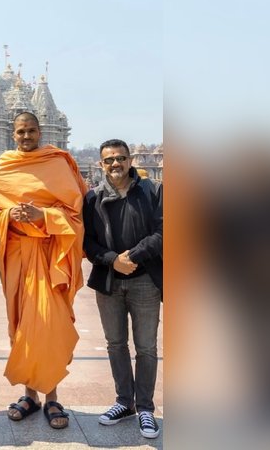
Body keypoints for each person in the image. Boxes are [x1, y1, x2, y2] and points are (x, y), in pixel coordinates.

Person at [0, 112, 87, 430]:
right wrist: (10, 216)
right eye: (20, 132)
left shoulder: (57, 163)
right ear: (13, 135)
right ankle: (30, 395)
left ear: (40, 131)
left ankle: (52, 396)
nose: (26, 136)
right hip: (18, 257)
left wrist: (42, 215)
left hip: (50, 257)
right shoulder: (4, 164)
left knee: (49, 325)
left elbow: (75, 213)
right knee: (22, 327)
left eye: (31, 130)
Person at [83, 139, 163, 439]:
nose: (115, 164)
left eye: (120, 158)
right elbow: (87, 241)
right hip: (109, 279)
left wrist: (133, 256)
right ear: (101, 164)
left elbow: (164, 230)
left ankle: (144, 407)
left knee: (146, 347)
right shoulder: (93, 198)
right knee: (115, 344)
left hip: (145, 280)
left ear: (130, 161)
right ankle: (123, 401)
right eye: (108, 160)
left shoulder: (153, 191)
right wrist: (112, 260)